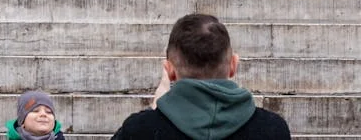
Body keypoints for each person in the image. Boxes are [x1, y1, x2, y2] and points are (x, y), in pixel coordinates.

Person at [112, 13, 291, 139]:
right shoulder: (273, 130)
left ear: (170, 71)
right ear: (233, 65)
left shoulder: (139, 130)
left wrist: (154, 111)